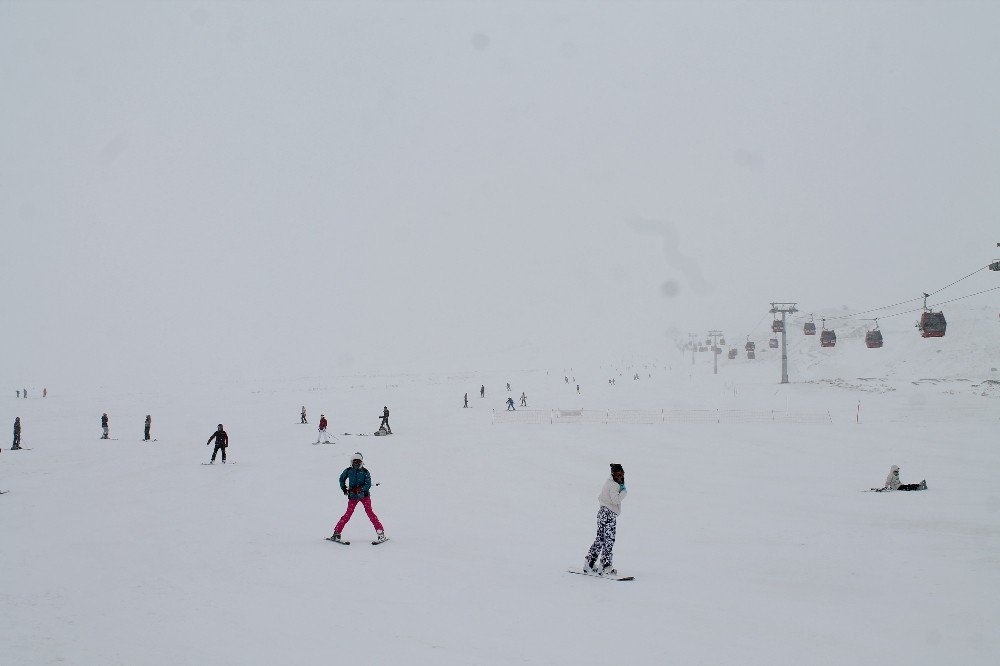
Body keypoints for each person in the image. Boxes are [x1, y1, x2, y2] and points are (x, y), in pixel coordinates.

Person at [329, 452, 385, 543]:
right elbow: (341, 479)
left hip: (364, 497)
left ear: (361, 462)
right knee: (347, 514)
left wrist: (360, 489)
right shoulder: (348, 470)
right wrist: (344, 488)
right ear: (352, 462)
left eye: (358, 462)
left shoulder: (365, 472)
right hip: (353, 497)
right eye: (355, 462)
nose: (356, 464)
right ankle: (337, 533)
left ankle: (381, 533)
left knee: (370, 513)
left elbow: (368, 484)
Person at [585, 463, 627, 576]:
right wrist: (623, 491)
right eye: (618, 475)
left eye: (622, 474)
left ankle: (589, 562)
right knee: (609, 540)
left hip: (602, 513)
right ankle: (605, 566)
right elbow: (616, 500)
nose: (620, 477)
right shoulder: (615, 485)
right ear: (613, 474)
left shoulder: (608, 482)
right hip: (609, 514)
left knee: (601, 538)